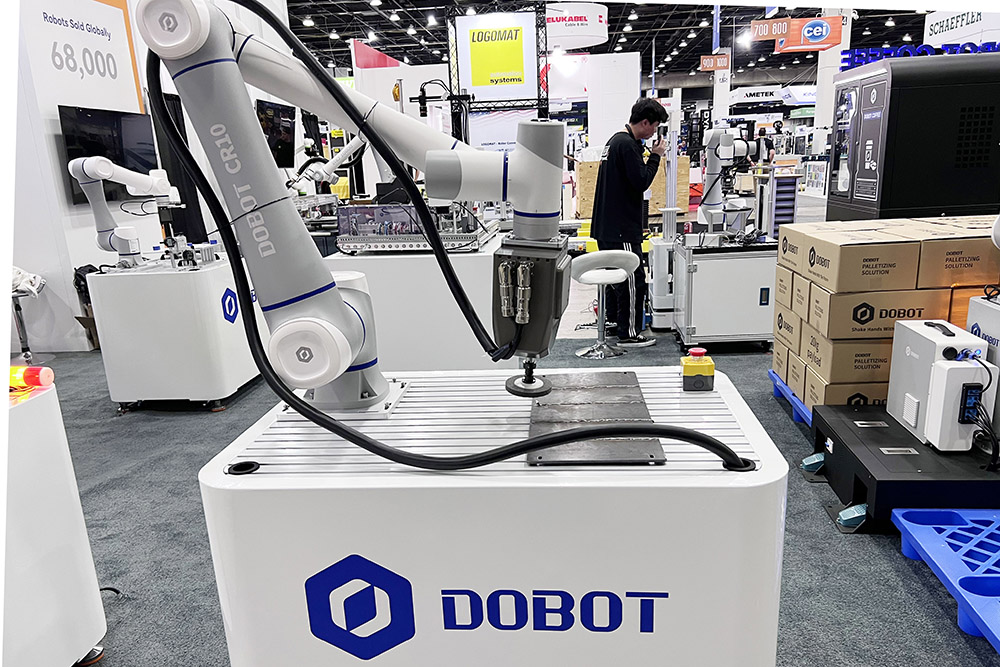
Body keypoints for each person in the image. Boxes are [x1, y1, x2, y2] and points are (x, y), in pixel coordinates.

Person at [590, 98, 668, 348]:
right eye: (654, 126)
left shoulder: (616, 141)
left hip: (608, 227)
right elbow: (641, 181)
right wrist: (655, 156)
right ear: (645, 122)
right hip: (621, 228)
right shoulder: (626, 145)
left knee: (615, 280)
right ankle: (629, 333)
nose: (654, 131)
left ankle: (616, 323)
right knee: (633, 280)